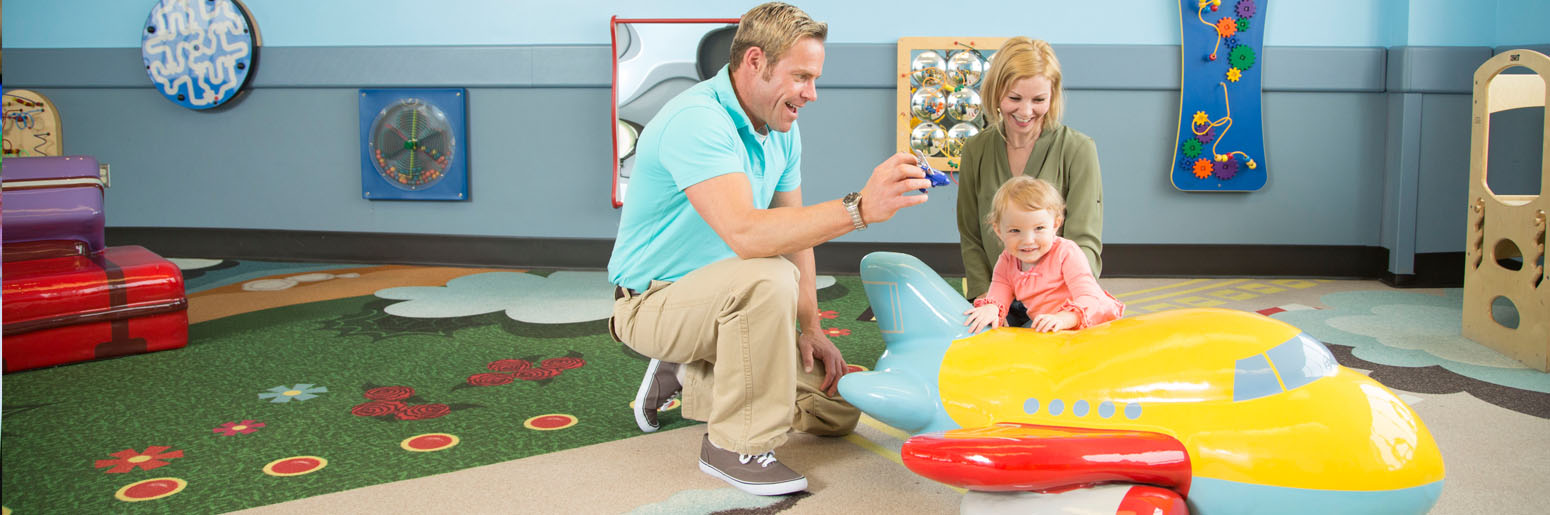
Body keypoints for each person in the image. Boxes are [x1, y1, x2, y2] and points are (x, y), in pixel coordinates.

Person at [606, 2, 931, 497]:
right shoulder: (697, 121)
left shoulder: (783, 130)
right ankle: (733, 446)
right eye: (801, 76)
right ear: (755, 61)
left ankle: (689, 368)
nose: (812, 93)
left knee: (835, 408)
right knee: (768, 274)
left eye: (814, 78)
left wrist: (812, 328)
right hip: (651, 302)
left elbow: (794, 232)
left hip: (728, 300)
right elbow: (749, 235)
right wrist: (860, 208)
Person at [956, 36, 1104, 327]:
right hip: (996, 295)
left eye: (1038, 100)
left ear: (1053, 97)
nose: (1026, 112)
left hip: (1058, 303)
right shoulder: (976, 150)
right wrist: (989, 302)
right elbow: (971, 235)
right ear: (996, 93)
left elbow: (1084, 241)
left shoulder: (1078, 149)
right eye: (1014, 98)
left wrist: (1067, 312)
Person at [962, 176, 1123, 333]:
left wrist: (1064, 318)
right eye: (1015, 231)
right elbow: (999, 293)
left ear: (1055, 224)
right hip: (1048, 323)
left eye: (1039, 228)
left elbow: (1089, 296)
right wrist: (992, 308)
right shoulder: (1007, 260)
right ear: (999, 231)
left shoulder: (1066, 253)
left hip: (1089, 321)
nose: (1028, 240)